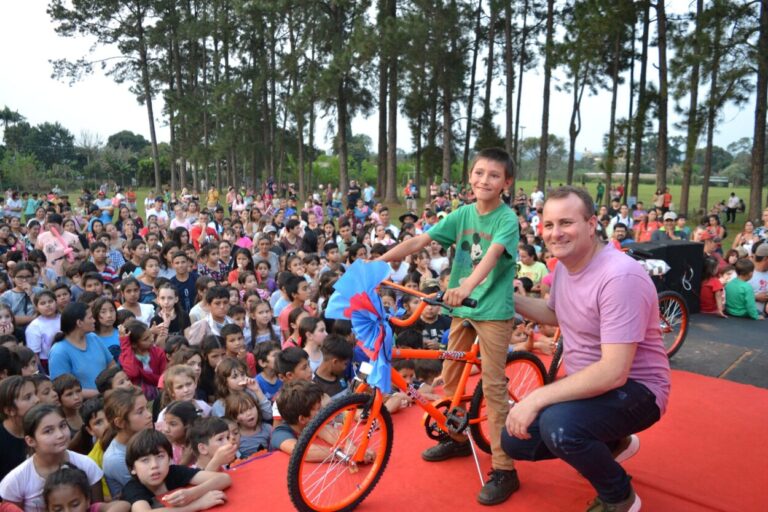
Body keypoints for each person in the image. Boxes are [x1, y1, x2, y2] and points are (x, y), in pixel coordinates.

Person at [503, 186, 671, 512]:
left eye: (566, 222)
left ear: (592, 224)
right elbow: (555, 314)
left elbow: (613, 372)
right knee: (514, 440)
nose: (555, 233)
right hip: (593, 385)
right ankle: (612, 441)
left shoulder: (619, 276)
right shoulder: (566, 266)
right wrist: (507, 300)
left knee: (560, 428)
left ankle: (620, 497)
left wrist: (536, 397)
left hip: (638, 390)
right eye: (548, 225)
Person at [378, 147, 520, 505]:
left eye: (493, 175)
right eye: (478, 172)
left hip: (490, 311)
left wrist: (465, 287)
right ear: (470, 176)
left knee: (493, 386)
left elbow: (490, 258)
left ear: (507, 182)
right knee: (451, 375)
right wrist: (374, 265)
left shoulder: (506, 220)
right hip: (461, 308)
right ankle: (457, 439)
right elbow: (419, 241)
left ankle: (505, 469)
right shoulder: (462, 214)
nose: (483, 180)